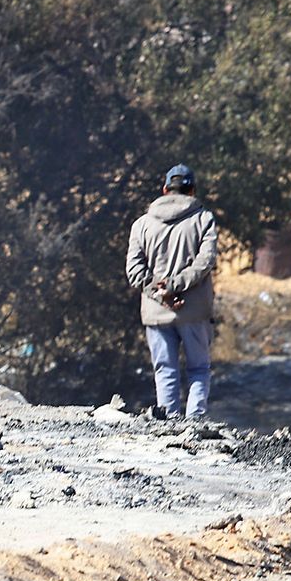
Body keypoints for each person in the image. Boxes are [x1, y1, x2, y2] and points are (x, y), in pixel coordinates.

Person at [125, 164, 218, 418]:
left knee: (165, 369)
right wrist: (177, 285)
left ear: (165, 189)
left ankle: (169, 424)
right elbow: (206, 261)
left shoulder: (141, 225)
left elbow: (134, 271)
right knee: (198, 369)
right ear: (192, 190)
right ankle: (195, 422)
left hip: (156, 312)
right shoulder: (203, 219)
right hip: (194, 312)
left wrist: (161, 293)